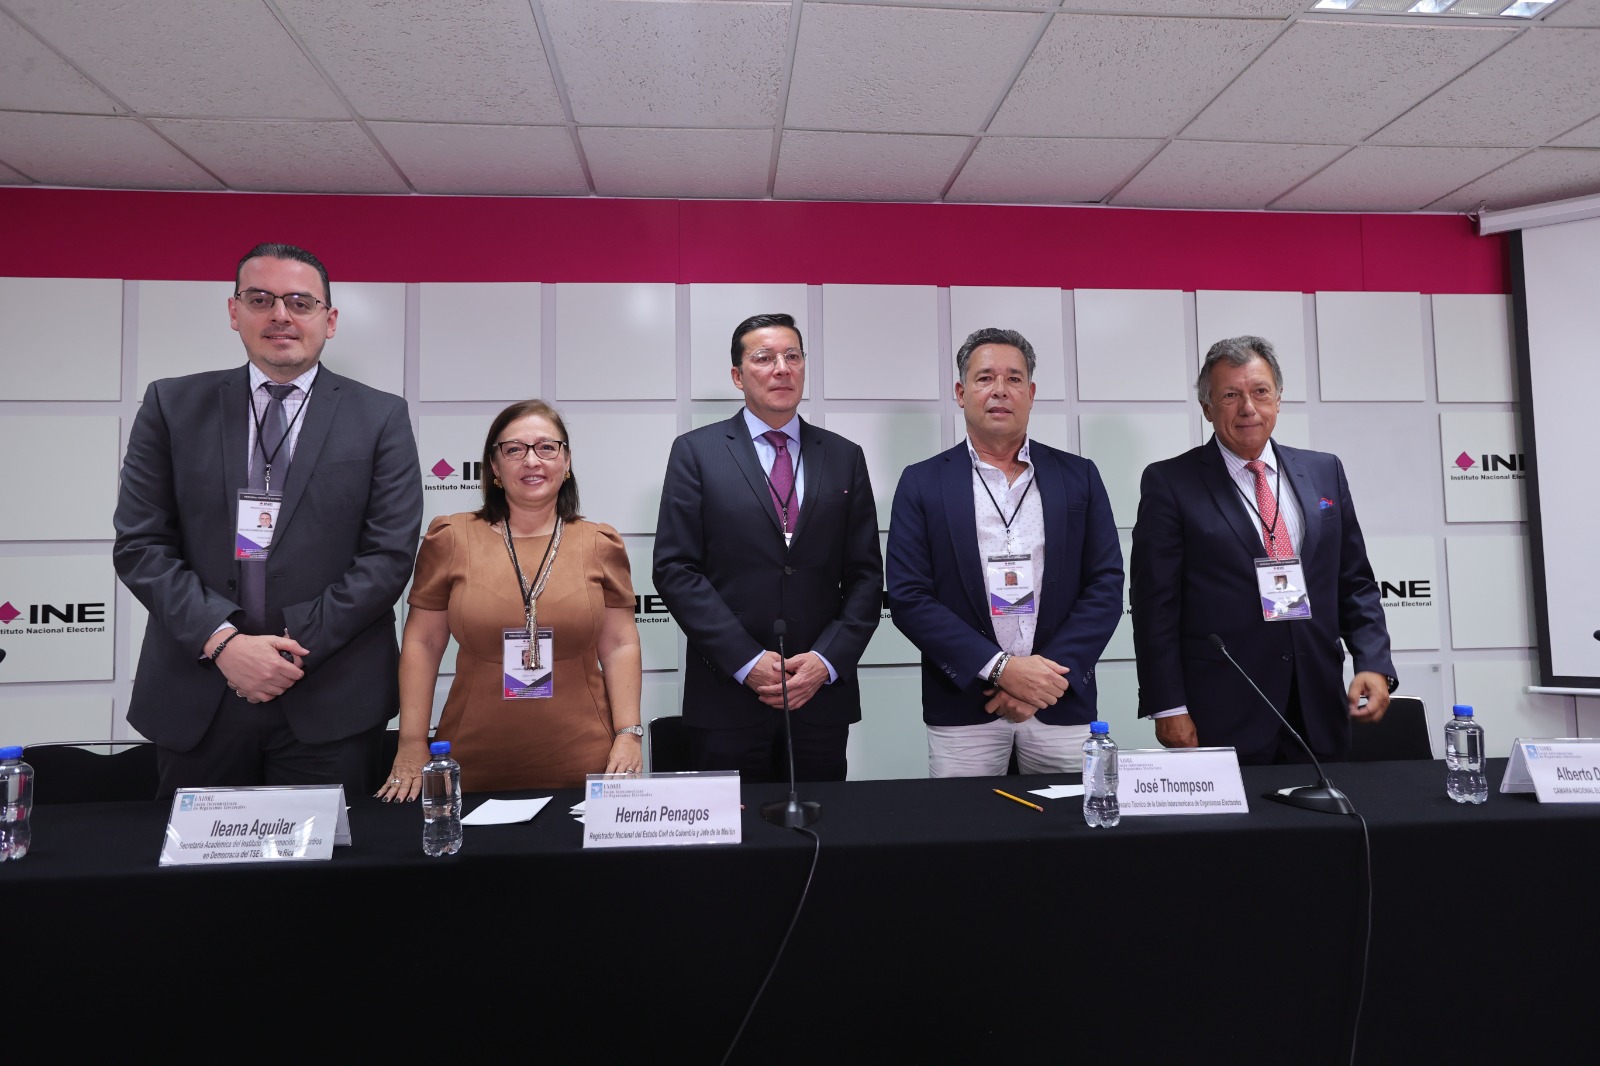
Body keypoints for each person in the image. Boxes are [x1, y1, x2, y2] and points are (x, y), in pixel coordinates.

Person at [113, 242, 423, 797]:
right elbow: (141, 545)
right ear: (234, 312)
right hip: (200, 693)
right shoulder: (171, 406)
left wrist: (285, 649)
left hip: (328, 697)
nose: (281, 314)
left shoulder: (380, 416)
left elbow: (388, 556)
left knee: (326, 883)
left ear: (328, 321)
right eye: (261, 298)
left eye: (300, 302)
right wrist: (226, 644)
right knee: (198, 882)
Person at [1130, 335, 1396, 764]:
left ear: (1278, 398)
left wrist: (1373, 661)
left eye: (1259, 392)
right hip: (1221, 706)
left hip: (1317, 701)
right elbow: (1153, 605)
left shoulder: (1324, 470)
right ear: (1207, 407)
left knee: (1325, 830)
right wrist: (1168, 705)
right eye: (1230, 395)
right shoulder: (1170, 483)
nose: (1248, 408)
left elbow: (1354, 581)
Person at [653, 313, 881, 782]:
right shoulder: (697, 452)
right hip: (728, 694)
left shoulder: (843, 455)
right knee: (735, 847)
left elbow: (865, 575)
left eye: (792, 356)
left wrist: (826, 661)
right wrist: (747, 661)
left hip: (819, 696)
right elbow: (676, 568)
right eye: (764, 358)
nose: (782, 368)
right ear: (738, 376)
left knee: (825, 838)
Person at [886, 327, 1124, 776]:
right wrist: (1001, 670)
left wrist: (1045, 679)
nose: (1000, 390)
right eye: (984, 378)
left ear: (1031, 393)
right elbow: (909, 596)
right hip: (964, 704)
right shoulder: (921, 483)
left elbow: (1106, 584)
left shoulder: (1079, 476)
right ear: (961, 392)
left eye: (1014, 379)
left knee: (1074, 834)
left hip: (1059, 697)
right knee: (966, 837)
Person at [377, 400, 643, 798]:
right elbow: (423, 643)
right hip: (470, 754)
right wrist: (411, 741)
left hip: (586, 757)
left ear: (566, 461)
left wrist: (629, 734)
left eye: (546, 447)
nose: (532, 460)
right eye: (514, 449)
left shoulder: (599, 542)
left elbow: (620, 644)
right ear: (495, 467)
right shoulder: (451, 537)